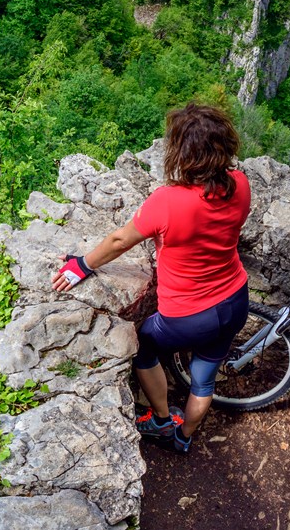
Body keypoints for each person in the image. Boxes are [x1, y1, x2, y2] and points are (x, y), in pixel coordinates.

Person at [52, 103, 252, 455]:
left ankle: (161, 420)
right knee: (203, 379)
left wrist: (82, 265)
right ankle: (184, 437)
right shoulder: (240, 184)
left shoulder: (168, 201)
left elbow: (119, 241)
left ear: (182, 153)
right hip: (235, 300)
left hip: (188, 314)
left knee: (144, 347)